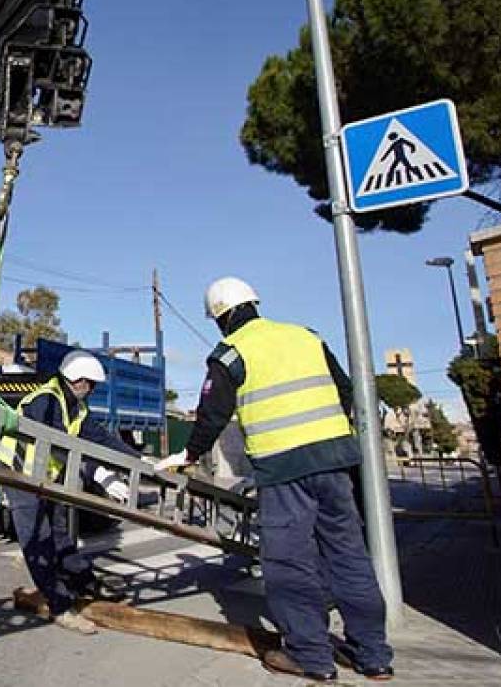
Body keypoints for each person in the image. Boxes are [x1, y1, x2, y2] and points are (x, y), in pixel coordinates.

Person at [166, 277, 393, 682]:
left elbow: (212, 414)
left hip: (285, 470)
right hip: (336, 462)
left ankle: (311, 656)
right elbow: (345, 391)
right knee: (348, 557)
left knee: (289, 563)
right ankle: (373, 654)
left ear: (222, 316)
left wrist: (190, 454)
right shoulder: (307, 337)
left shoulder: (231, 354)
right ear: (254, 303)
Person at [0, 350, 138, 635]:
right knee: (40, 541)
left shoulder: (76, 408)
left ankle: (85, 585)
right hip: (18, 474)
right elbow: (59, 444)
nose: (93, 390)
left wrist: (139, 461)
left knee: (60, 533)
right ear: (79, 381)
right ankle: (61, 607)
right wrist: (98, 474)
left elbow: (101, 439)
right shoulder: (45, 401)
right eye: (92, 384)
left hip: (45, 477)